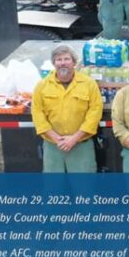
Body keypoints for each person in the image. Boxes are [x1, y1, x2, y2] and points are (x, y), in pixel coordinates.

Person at [32, 44, 103, 173]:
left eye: (66, 59)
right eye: (59, 60)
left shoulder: (89, 84)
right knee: (54, 189)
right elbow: (38, 114)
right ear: (54, 63)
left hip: (81, 145)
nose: (63, 63)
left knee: (84, 188)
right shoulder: (42, 86)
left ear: (74, 62)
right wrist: (55, 138)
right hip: (53, 146)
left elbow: (95, 112)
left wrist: (75, 138)